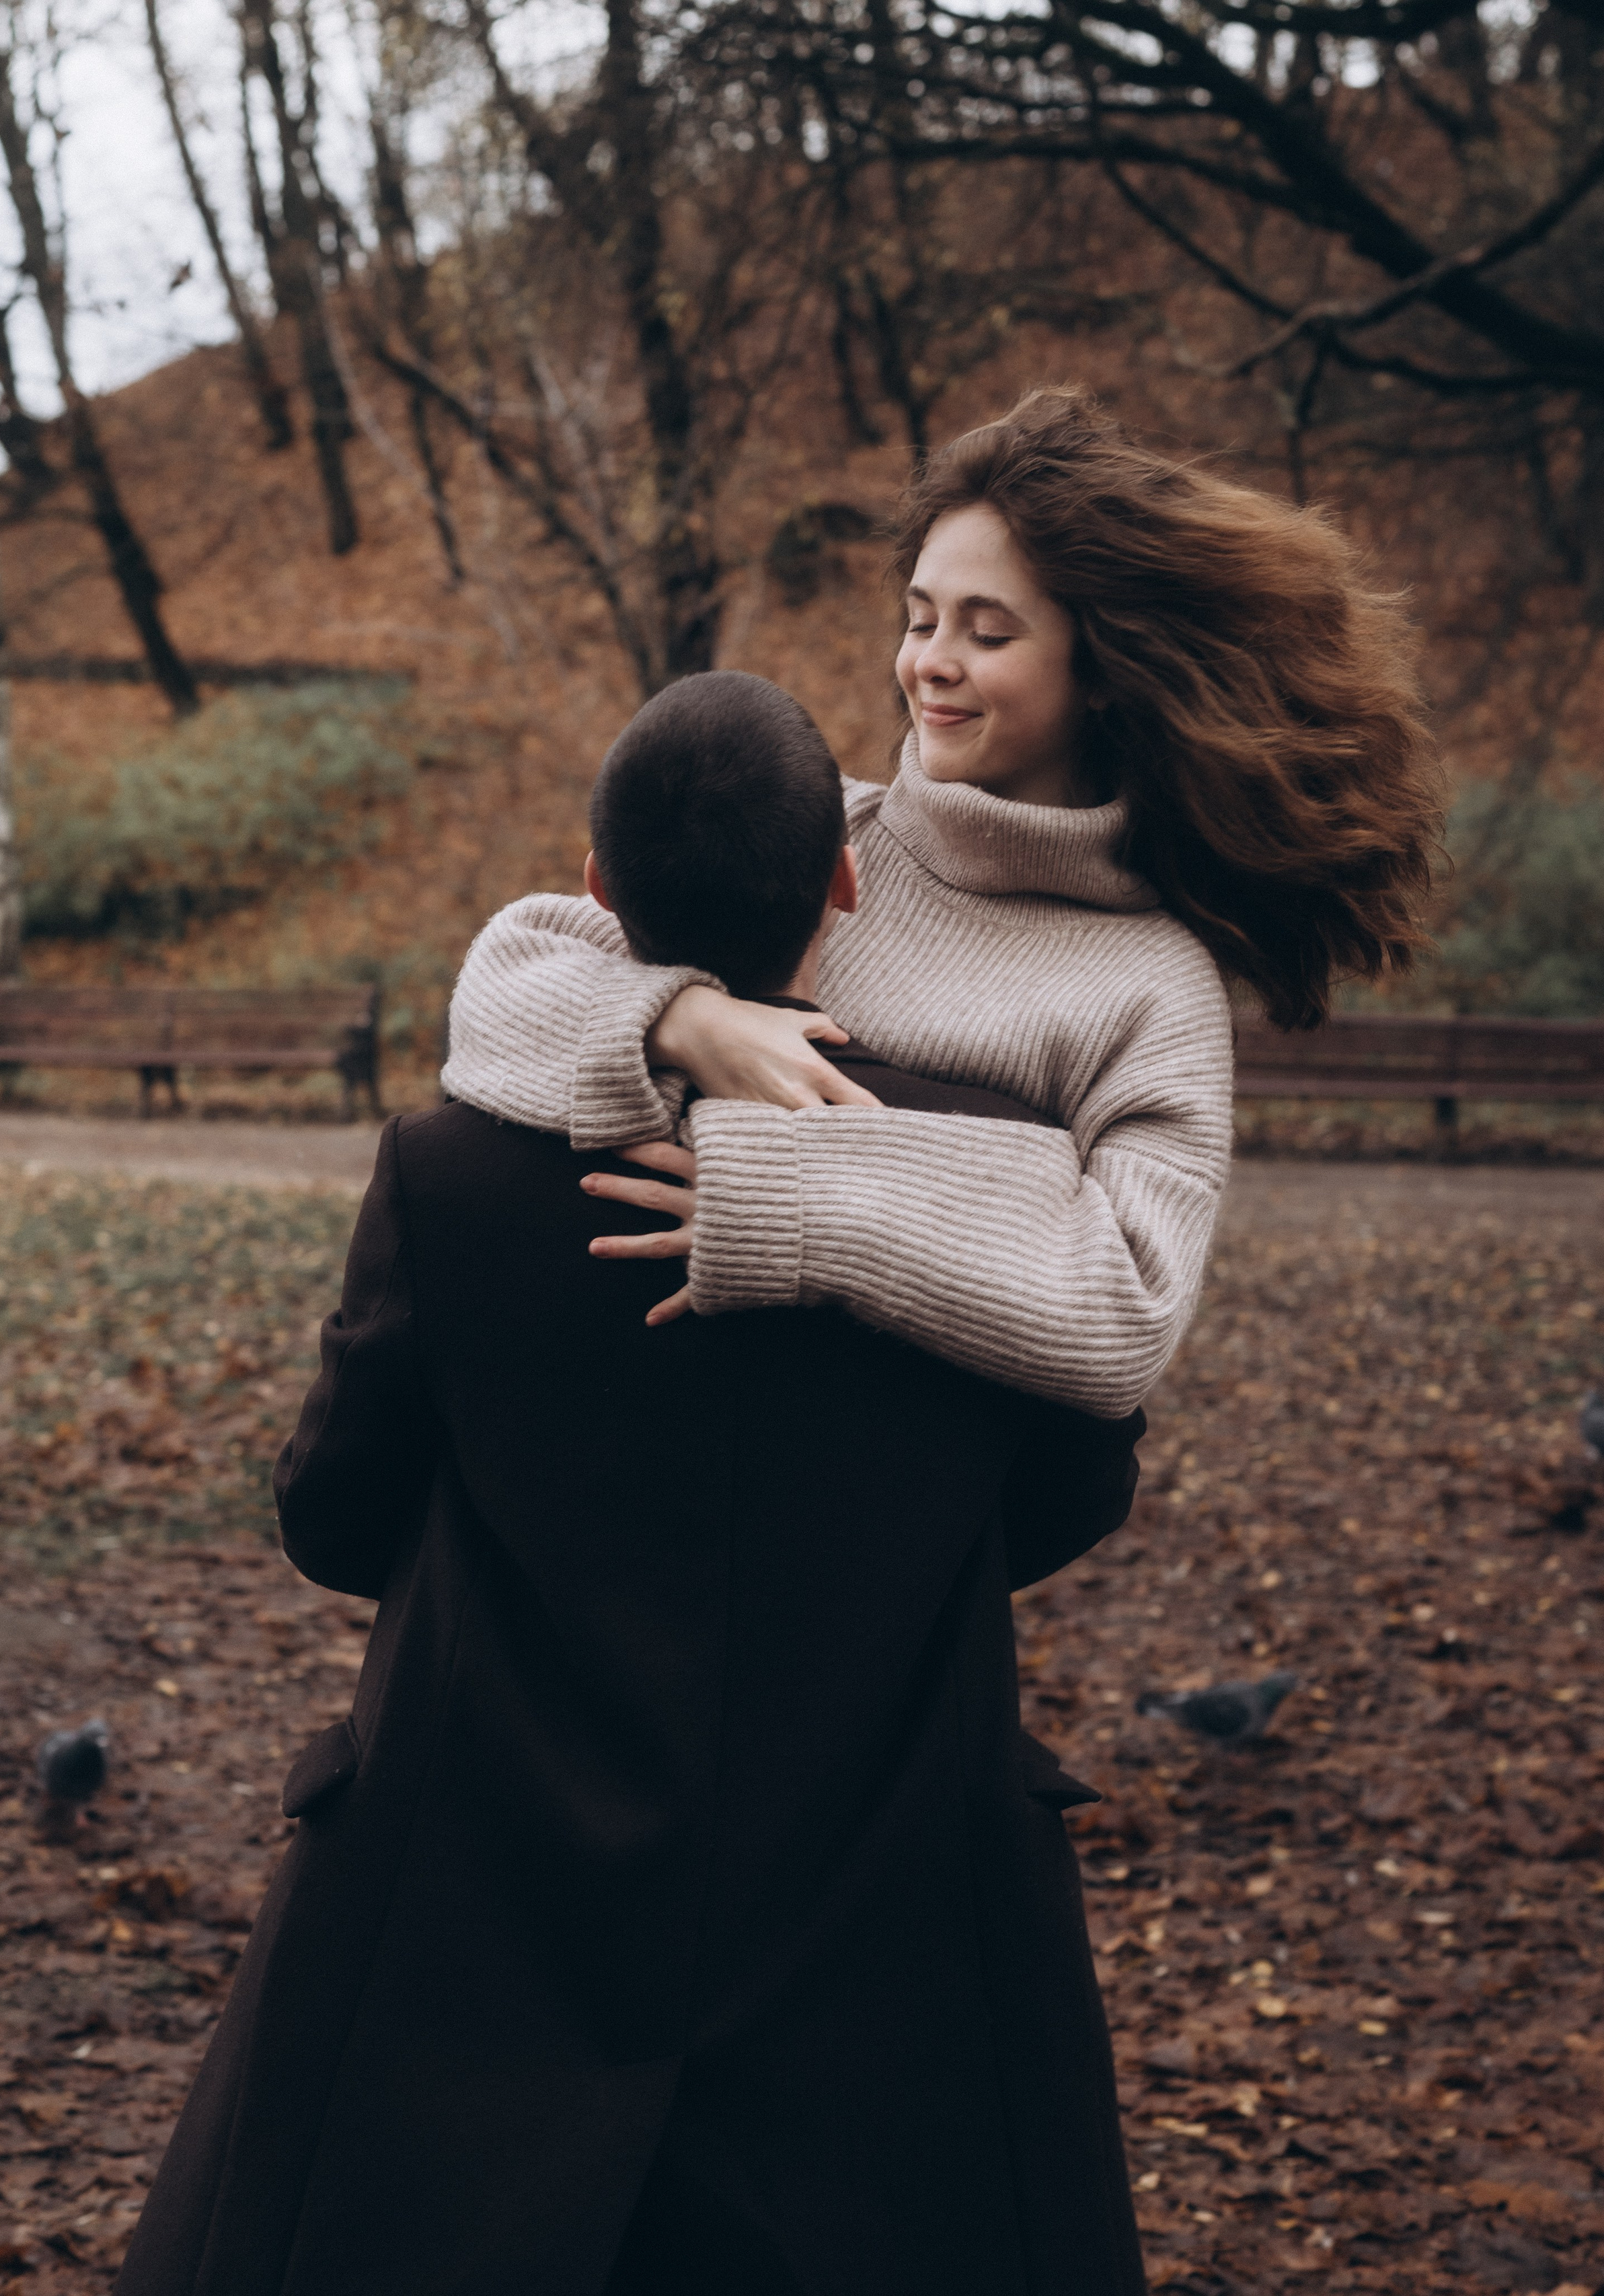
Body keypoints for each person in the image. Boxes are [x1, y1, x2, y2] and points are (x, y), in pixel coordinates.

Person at [112, 673, 1152, 2296]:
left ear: (596, 890)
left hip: (478, 1898)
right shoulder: (993, 1160)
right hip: (881, 1901)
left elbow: (332, 1514)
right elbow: (1072, 1488)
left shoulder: (449, 1174)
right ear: (845, 880)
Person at [444, 385, 1443, 1414]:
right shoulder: (823, 830)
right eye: (920, 619)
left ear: (1101, 670)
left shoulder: (1153, 987)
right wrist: (679, 1019)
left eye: (988, 632)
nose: (930, 663)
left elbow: (1128, 1315)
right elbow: (505, 977)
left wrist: (798, 1197)